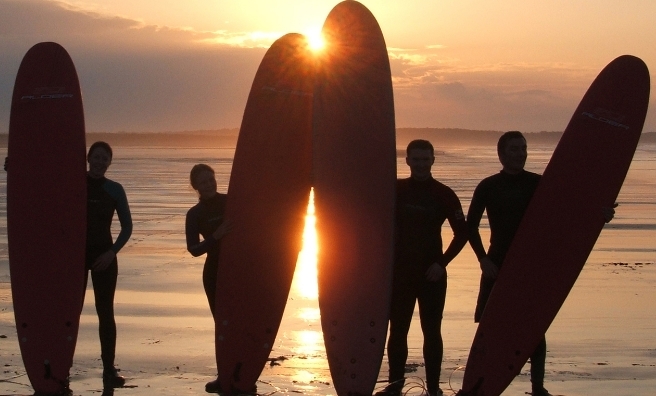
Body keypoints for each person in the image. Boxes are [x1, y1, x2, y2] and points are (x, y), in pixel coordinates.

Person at [466, 131, 614, 396]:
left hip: (531, 265)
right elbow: (470, 227)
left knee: (533, 327)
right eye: (514, 149)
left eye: (523, 148)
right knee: (491, 326)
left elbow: (570, 209)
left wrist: (600, 213)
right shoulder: (488, 186)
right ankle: (484, 382)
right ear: (501, 153)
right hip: (497, 263)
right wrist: (483, 259)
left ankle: (537, 386)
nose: (520, 153)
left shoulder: (539, 183)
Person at [377, 139, 468, 396]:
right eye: (415, 159)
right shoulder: (395, 190)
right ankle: (395, 386)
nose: (420, 164)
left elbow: (462, 233)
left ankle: (434, 388)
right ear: (407, 161)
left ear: (433, 160)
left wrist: (442, 263)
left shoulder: (444, 193)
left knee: (432, 331)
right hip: (401, 273)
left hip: (432, 274)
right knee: (398, 331)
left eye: (425, 159)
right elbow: (375, 222)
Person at [85, 141, 133, 388]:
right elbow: (42, 181)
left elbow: (127, 227)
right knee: (65, 310)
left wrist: (111, 253)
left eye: (105, 158)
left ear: (109, 163)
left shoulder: (114, 189)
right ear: (88, 157)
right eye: (96, 157)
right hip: (75, 258)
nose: (99, 162)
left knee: (105, 312)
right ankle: (59, 362)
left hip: (104, 257)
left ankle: (108, 368)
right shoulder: (72, 182)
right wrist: (14, 167)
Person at [184, 164, 231, 393]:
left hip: (239, 271)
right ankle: (224, 376)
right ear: (195, 187)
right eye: (203, 182)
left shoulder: (230, 201)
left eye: (211, 179)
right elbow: (193, 249)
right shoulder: (194, 214)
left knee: (242, 321)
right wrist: (216, 236)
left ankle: (245, 372)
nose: (209, 184)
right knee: (222, 325)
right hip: (214, 273)